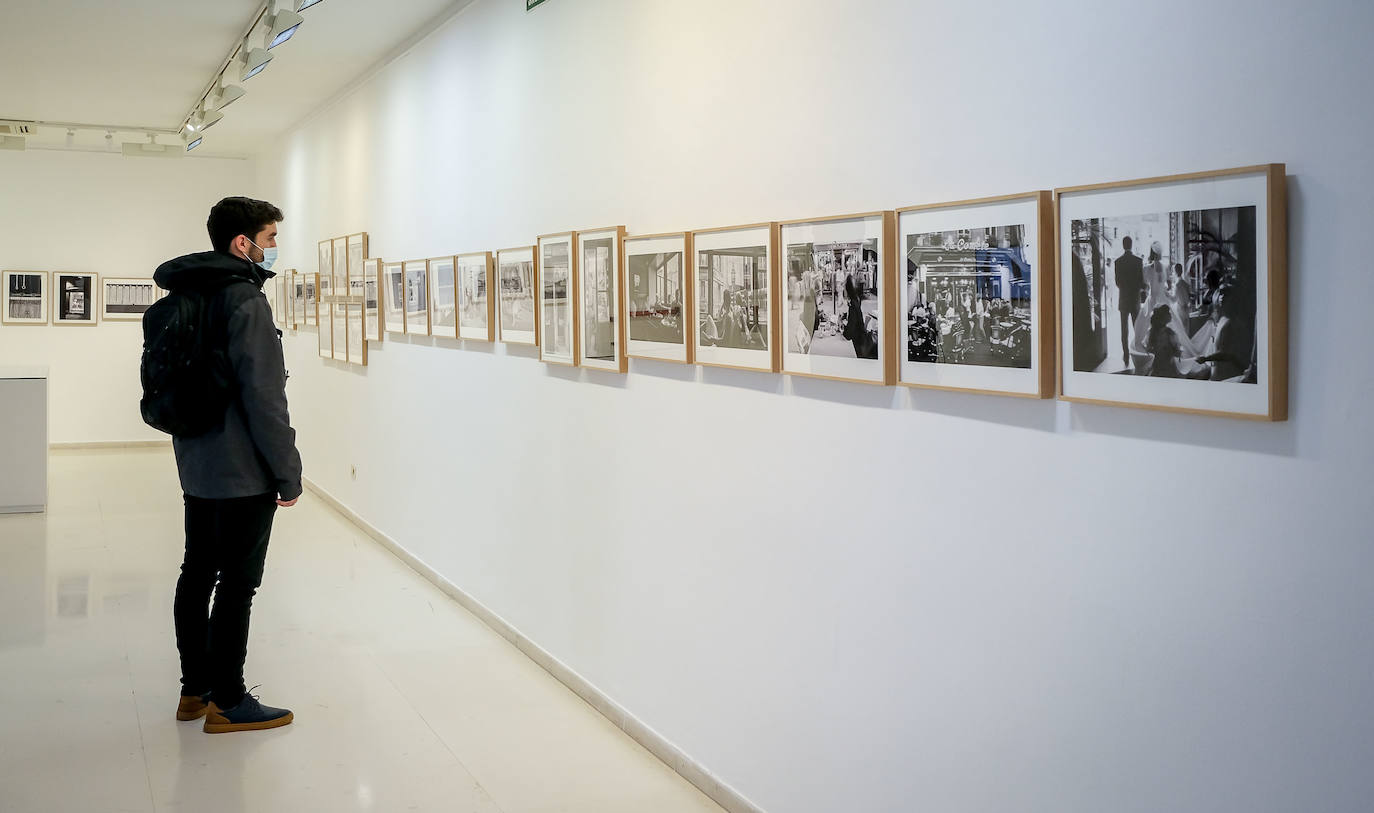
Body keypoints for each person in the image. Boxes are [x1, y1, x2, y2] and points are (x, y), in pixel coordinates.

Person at [154, 197, 302, 735]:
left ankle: (193, 692)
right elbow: (265, 399)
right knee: (238, 586)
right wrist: (288, 471)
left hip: (195, 462)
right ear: (243, 244)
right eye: (270, 239)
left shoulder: (184, 296)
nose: (273, 250)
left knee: (196, 574)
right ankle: (229, 700)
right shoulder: (245, 302)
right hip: (243, 471)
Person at [1114, 235, 1145, 366]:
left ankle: (1126, 355)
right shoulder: (1138, 261)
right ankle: (1138, 352)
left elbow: (1117, 282)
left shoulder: (1118, 262)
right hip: (1135, 299)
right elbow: (1141, 281)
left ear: (1123, 245)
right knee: (1137, 327)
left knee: (1124, 329)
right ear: (1131, 245)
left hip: (1123, 300)